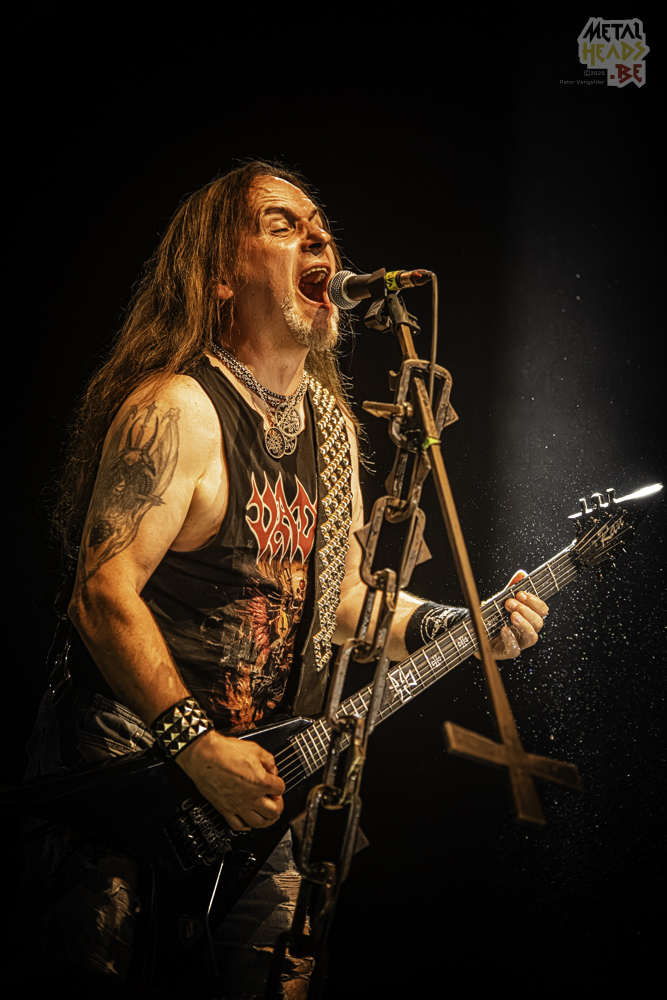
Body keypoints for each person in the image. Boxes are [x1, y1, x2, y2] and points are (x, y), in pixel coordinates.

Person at [22, 160, 549, 997]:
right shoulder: (178, 409)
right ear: (219, 275)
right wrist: (197, 747)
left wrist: (462, 626)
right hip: (130, 782)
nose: (319, 239)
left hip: (254, 790)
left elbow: (342, 601)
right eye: (282, 224)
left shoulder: (331, 432)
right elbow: (101, 595)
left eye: (321, 228)